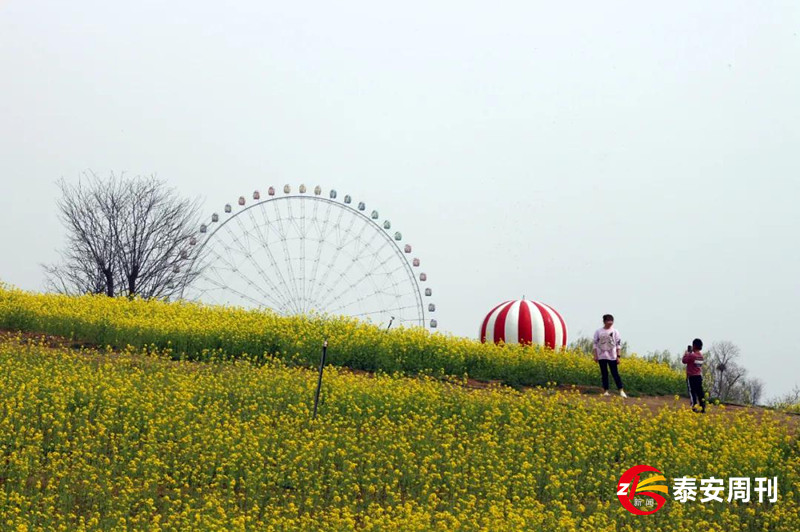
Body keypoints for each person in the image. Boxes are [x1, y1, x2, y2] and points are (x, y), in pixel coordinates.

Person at [593, 314, 627, 398]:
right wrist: (595, 355)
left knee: (615, 373)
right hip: (602, 356)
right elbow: (595, 344)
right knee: (604, 374)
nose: (610, 324)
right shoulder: (598, 331)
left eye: (611, 323)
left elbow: (618, 344)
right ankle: (606, 390)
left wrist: (618, 356)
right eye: (608, 322)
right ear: (604, 322)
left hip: (612, 356)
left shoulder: (615, 331)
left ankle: (621, 390)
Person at [682, 338, 706, 413]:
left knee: (692, 393)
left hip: (691, 377)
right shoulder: (701, 356)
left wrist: (686, 353)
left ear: (694, 346)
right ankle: (702, 407)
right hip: (699, 376)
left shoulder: (692, 355)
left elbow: (684, 361)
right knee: (700, 392)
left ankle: (694, 407)